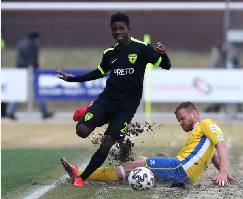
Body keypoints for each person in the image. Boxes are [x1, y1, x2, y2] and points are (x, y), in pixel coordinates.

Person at [57, 12, 171, 187]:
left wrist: (163, 55)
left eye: (121, 28)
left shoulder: (142, 48)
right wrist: (71, 79)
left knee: (106, 144)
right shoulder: (109, 53)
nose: (118, 32)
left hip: (126, 108)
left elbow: (165, 65)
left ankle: (81, 178)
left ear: (129, 29)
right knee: (81, 131)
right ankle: (90, 108)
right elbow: (98, 73)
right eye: (114, 29)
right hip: (106, 101)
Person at [61, 101, 237, 187]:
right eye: (178, 120)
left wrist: (223, 171)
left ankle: (80, 174)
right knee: (140, 160)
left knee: (129, 165)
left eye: (182, 119)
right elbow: (212, 153)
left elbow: (221, 145)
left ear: (194, 114)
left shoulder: (206, 124)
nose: (181, 123)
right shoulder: (200, 135)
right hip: (181, 169)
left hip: (180, 169)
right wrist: (222, 171)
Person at [8, 31, 54, 120]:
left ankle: (11, 111)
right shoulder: (32, 45)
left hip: (20, 71)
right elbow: (33, 60)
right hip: (30, 71)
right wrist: (33, 72)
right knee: (37, 92)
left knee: (18, 92)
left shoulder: (21, 43)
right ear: (36, 38)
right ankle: (44, 112)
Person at [205, 42, 243, 113]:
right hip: (222, 83)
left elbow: (239, 69)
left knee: (237, 97)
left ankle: (239, 111)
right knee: (220, 100)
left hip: (232, 83)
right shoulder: (221, 60)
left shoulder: (235, 61)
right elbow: (217, 69)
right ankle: (210, 110)